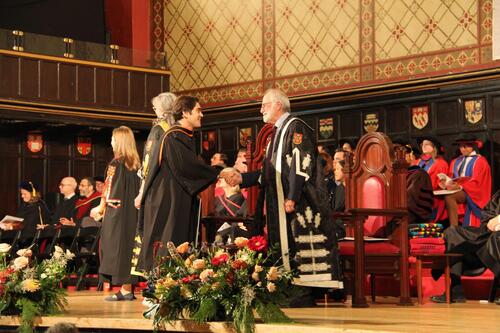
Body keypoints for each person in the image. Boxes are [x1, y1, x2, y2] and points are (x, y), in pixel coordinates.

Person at [223, 88, 343, 294]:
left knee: (302, 248)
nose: (261, 110)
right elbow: (271, 172)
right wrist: (242, 178)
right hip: (280, 203)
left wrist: (292, 196)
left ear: (278, 105)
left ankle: (305, 291)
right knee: (283, 247)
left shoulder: (296, 127)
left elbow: (300, 164)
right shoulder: (278, 133)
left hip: (301, 203)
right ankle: (287, 287)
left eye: (265, 105)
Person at [137, 96, 220, 272]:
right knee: (166, 241)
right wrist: (217, 172)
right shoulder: (174, 136)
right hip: (164, 199)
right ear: (185, 112)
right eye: (198, 110)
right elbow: (187, 167)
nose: (201, 114)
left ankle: (169, 285)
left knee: (174, 242)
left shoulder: (182, 135)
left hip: (173, 196)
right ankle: (159, 287)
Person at [91, 126, 140, 301]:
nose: (110, 142)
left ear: (119, 141)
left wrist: (101, 208)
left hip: (117, 215)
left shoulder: (116, 164)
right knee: (128, 249)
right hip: (132, 214)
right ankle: (127, 289)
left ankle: (126, 290)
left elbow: (110, 190)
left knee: (116, 249)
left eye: (112, 139)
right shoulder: (136, 165)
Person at [430, 189, 500, 303]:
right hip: (486, 234)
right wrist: (493, 222)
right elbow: (487, 218)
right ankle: (456, 289)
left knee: (496, 238)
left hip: (496, 237)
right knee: (453, 233)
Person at [134, 92, 177, 209]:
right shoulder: (178, 129)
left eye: (155, 108)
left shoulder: (158, 130)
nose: (154, 110)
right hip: (175, 186)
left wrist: (142, 191)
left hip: (158, 184)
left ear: (162, 109)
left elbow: (148, 160)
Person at [441, 134, 491, 227]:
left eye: (466, 146)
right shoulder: (456, 161)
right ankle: (448, 227)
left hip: (471, 192)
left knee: (449, 197)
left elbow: (478, 182)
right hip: (457, 189)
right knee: (441, 197)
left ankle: (454, 228)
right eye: (460, 146)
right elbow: (451, 176)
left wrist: (460, 186)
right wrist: (446, 182)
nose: (463, 149)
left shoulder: (480, 161)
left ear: (473, 146)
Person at [415, 137, 448, 222]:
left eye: (427, 144)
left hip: (432, 196)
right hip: (416, 194)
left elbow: (438, 183)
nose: (424, 146)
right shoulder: (417, 162)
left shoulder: (440, 163)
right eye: (422, 144)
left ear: (434, 147)